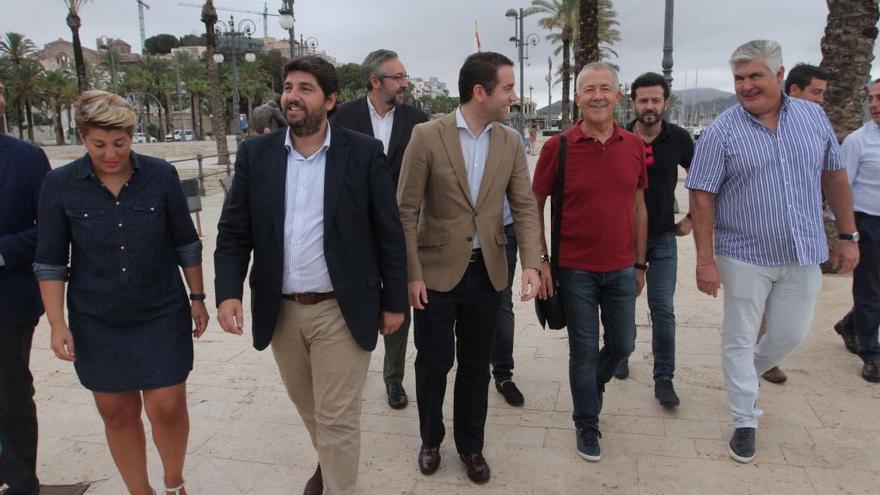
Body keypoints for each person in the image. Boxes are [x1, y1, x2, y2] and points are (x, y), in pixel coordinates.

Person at [214, 56, 407, 495]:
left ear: (330, 100)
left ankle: (339, 486)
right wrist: (228, 292)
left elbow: (388, 232)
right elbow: (233, 231)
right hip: (281, 312)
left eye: (305, 88)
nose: (292, 96)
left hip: (340, 309)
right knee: (311, 411)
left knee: (337, 418)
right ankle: (330, 466)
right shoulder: (255, 154)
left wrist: (393, 300)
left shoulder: (362, 152)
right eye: (288, 87)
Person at [686, 40, 858, 464]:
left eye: (755, 76)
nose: (746, 86)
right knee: (739, 337)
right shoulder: (721, 131)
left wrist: (848, 236)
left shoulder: (813, 117)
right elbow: (701, 197)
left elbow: (834, 175)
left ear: (780, 77)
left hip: (803, 250)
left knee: (791, 333)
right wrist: (705, 260)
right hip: (743, 252)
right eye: (739, 79)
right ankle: (745, 418)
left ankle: (750, 370)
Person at [34, 90, 209, 495]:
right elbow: (49, 260)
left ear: (133, 135)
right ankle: (139, 491)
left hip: (161, 310)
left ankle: (173, 483)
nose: (110, 153)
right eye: (99, 144)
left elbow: (186, 242)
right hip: (97, 318)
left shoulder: (160, 175)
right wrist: (57, 323)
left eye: (119, 143)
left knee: (166, 406)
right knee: (116, 411)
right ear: (82, 137)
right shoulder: (59, 185)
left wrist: (197, 299)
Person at [397, 51, 541, 484]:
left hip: (489, 272)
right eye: (508, 88)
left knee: (477, 365)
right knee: (433, 362)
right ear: (480, 92)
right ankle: (430, 438)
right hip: (435, 273)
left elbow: (525, 207)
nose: (513, 97)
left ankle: (471, 446)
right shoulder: (427, 135)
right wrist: (411, 273)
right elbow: (404, 211)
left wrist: (533, 262)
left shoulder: (511, 141)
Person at [533, 62, 648, 462]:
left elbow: (638, 204)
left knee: (623, 344)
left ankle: (592, 382)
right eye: (588, 89)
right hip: (575, 269)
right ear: (578, 97)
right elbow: (534, 205)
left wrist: (640, 262)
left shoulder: (633, 145)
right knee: (583, 350)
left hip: (620, 267)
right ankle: (587, 421)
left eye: (605, 88)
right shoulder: (557, 147)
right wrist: (542, 261)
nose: (597, 95)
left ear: (618, 95)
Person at [332, 49, 429, 409]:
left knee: (398, 299)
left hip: (405, 227)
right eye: (398, 78)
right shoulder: (342, 117)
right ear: (375, 81)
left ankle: (393, 379)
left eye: (405, 77)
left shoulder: (419, 121)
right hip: (355, 228)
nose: (404, 84)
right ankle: (343, 376)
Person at [615, 72, 694, 409]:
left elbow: (703, 179)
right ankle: (620, 352)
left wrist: (691, 218)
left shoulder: (679, 139)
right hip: (620, 239)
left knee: (662, 308)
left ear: (666, 103)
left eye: (655, 100)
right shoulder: (616, 138)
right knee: (622, 305)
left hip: (661, 237)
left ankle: (664, 378)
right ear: (632, 103)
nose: (649, 106)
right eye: (643, 100)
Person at [756, 63, 832, 385]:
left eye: (824, 94)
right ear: (795, 90)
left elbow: (833, 175)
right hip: (759, 240)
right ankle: (757, 360)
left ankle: (764, 356)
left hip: (803, 238)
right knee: (759, 306)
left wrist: (844, 230)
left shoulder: (816, 125)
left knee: (792, 319)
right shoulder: (757, 126)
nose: (821, 100)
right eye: (816, 92)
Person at [0, 80, 51, 495]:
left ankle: (20, 483)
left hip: (7, 302)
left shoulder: (27, 159)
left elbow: (48, 233)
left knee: (11, 393)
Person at [834, 79, 880, 382]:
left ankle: (850, 325)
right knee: (870, 289)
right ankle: (871, 353)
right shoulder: (858, 141)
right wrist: (847, 233)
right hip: (868, 221)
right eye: (872, 98)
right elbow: (840, 187)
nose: (874, 104)